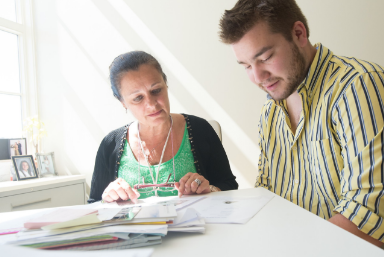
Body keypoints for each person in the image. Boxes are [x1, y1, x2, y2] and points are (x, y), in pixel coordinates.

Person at [219, 0, 384, 247]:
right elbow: (267, 196)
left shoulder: (358, 86)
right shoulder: (270, 112)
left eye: (265, 57)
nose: (257, 77)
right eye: (246, 66)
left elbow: (369, 216)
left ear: (299, 34)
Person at [88, 51, 238, 204]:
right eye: (138, 98)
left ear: (165, 84)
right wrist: (107, 199)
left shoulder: (201, 130)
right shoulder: (110, 144)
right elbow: (93, 204)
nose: (152, 104)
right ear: (123, 102)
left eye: (156, 90)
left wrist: (210, 189)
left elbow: (230, 186)